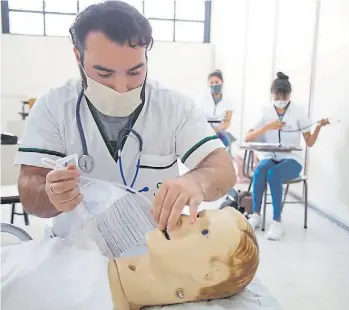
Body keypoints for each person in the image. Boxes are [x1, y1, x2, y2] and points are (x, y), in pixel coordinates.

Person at [14, 1, 236, 238]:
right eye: (104, 74)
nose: (121, 88)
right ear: (78, 56)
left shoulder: (174, 107)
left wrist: (197, 182)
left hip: (153, 251)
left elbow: (223, 169)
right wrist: (51, 193)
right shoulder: (53, 106)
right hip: (76, 252)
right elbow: (29, 185)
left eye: (134, 72)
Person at [1, 207, 259, 310]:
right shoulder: (93, 252)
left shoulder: (90, 299)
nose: (184, 217)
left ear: (209, 275)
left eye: (204, 230)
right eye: (198, 213)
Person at [245, 72, 329, 240]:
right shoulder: (266, 112)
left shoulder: (298, 112)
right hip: (271, 156)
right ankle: (256, 214)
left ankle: (277, 222)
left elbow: (309, 142)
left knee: (274, 174)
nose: (281, 99)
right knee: (261, 170)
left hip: (292, 160)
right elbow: (248, 137)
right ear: (272, 94)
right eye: (277, 95)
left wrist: (319, 126)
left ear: (290, 95)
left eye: (284, 96)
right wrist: (267, 127)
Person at [196, 70, 235, 147]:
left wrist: (217, 129)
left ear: (222, 82)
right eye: (211, 83)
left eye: (217, 82)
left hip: (220, 130)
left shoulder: (229, 100)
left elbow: (227, 121)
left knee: (224, 142)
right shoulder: (201, 99)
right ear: (208, 84)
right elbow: (197, 118)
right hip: (204, 130)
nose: (214, 85)